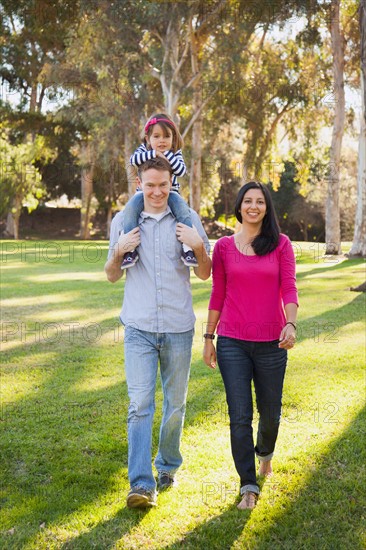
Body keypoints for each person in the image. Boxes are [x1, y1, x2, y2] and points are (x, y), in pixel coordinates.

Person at [105, 157, 211, 509]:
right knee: (139, 405)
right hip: (139, 327)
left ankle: (167, 465)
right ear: (139, 184)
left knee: (176, 405)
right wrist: (119, 251)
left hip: (179, 327)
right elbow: (111, 274)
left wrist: (197, 244)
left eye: (162, 185)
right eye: (149, 185)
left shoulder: (188, 219)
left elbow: (204, 274)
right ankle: (140, 483)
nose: (156, 191)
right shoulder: (124, 221)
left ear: (171, 183)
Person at [203, 181, 298, 510]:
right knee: (240, 416)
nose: (253, 206)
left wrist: (290, 322)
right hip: (232, 342)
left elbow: (289, 287)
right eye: (248, 201)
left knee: (270, 413)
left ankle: (265, 455)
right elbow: (217, 293)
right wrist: (208, 337)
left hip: (272, 342)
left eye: (260, 201)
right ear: (239, 206)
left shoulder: (281, 244)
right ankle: (248, 484)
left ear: (267, 208)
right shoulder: (224, 248)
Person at [122, 112, 198, 269]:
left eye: (166, 136)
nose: (161, 141)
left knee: (183, 211)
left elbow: (181, 170)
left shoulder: (176, 153)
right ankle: (130, 251)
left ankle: (188, 249)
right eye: (156, 136)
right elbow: (133, 160)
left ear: (173, 138)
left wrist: (165, 155)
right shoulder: (144, 149)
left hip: (171, 192)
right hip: (143, 193)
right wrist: (154, 153)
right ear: (148, 139)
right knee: (130, 210)